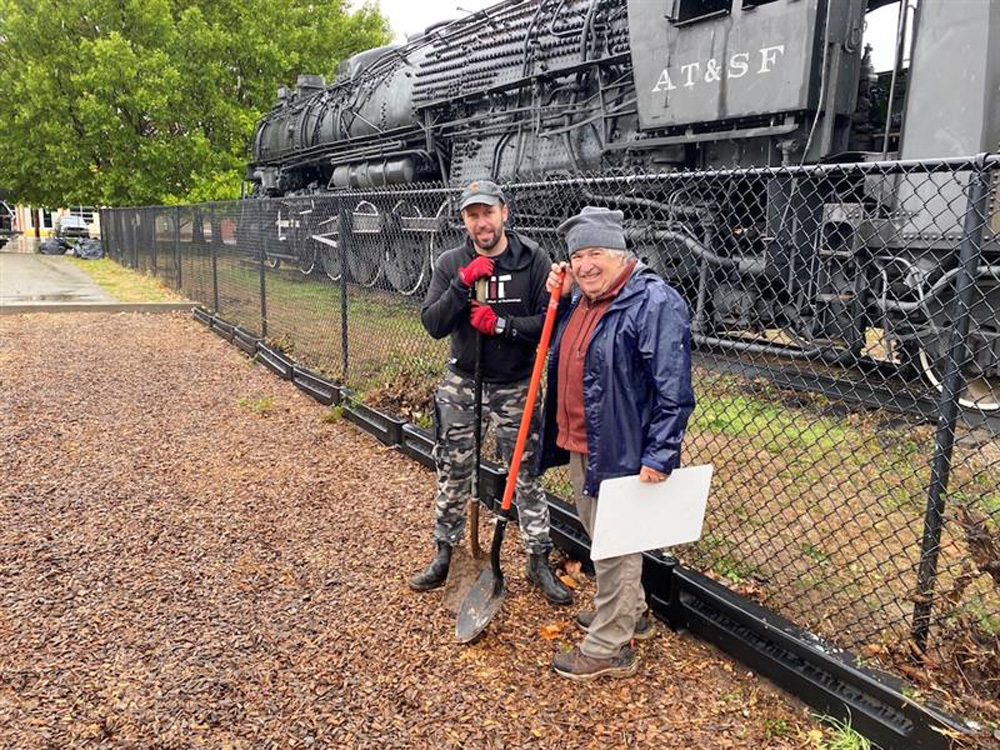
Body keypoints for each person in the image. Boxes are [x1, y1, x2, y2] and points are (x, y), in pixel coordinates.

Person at [536, 206, 696, 680]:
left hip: (621, 448)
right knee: (604, 538)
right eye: (577, 256)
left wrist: (661, 453)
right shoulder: (586, 298)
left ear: (621, 254)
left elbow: (674, 389)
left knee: (615, 546)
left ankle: (609, 646)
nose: (585, 264)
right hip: (584, 442)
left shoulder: (653, 302)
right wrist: (562, 298)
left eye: (596, 253)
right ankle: (633, 613)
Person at [408, 179, 573, 607]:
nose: (481, 222)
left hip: (516, 383)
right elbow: (433, 324)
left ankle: (538, 559)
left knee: (526, 476)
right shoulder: (451, 263)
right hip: (464, 382)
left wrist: (503, 326)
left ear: (504, 213)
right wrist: (462, 285)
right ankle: (445, 551)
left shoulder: (531, 259)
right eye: (472, 215)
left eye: (487, 212)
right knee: (454, 470)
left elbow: (548, 323)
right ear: (464, 220)